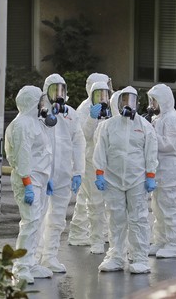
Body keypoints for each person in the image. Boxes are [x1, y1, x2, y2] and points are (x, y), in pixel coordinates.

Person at [93, 86, 158, 274]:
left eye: (132, 100)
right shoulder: (108, 126)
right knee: (116, 218)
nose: (128, 104)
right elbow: (101, 150)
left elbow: (150, 152)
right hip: (113, 179)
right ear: (117, 102)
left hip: (137, 179)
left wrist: (150, 175)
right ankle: (116, 257)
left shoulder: (145, 126)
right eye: (124, 100)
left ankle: (139, 258)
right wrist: (99, 173)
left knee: (138, 218)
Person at [4, 85, 53, 285]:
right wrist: (27, 183)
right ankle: (20, 266)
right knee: (30, 222)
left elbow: (41, 152)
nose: (43, 104)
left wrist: (46, 178)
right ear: (32, 102)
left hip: (39, 179)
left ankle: (30, 262)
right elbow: (22, 155)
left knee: (37, 222)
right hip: (28, 180)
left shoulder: (35, 122)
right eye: (41, 100)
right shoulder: (22, 124)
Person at [38, 74, 86, 273]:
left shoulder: (71, 115)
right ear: (45, 91)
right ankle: (34, 259)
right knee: (38, 217)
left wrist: (78, 171)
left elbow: (78, 142)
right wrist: (42, 173)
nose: (58, 95)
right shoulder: (38, 113)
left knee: (57, 218)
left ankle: (50, 257)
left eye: (61, 90)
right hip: (42, 174)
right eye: (54, 90)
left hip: (64, 174)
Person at [68, 73, 112, 252]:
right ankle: (93, 237)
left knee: (87, 198)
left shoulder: (107, 107)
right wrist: (92, 118)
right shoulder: (86, 108)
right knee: (94, 200)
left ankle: (79, 233)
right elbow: (83, 136)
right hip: (90, 160)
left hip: (101, 160)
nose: (107, 90)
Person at [146, 84, 176, 258]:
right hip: (160, 168)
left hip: (169, 168)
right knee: (158, 207)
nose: (151, 104)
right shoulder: (160, 118)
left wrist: (150, 134)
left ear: (163, 100)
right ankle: (161, 240)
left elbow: (169, 144)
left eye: (154, 100)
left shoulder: (170, 118)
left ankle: (173, 243)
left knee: (168, 207)